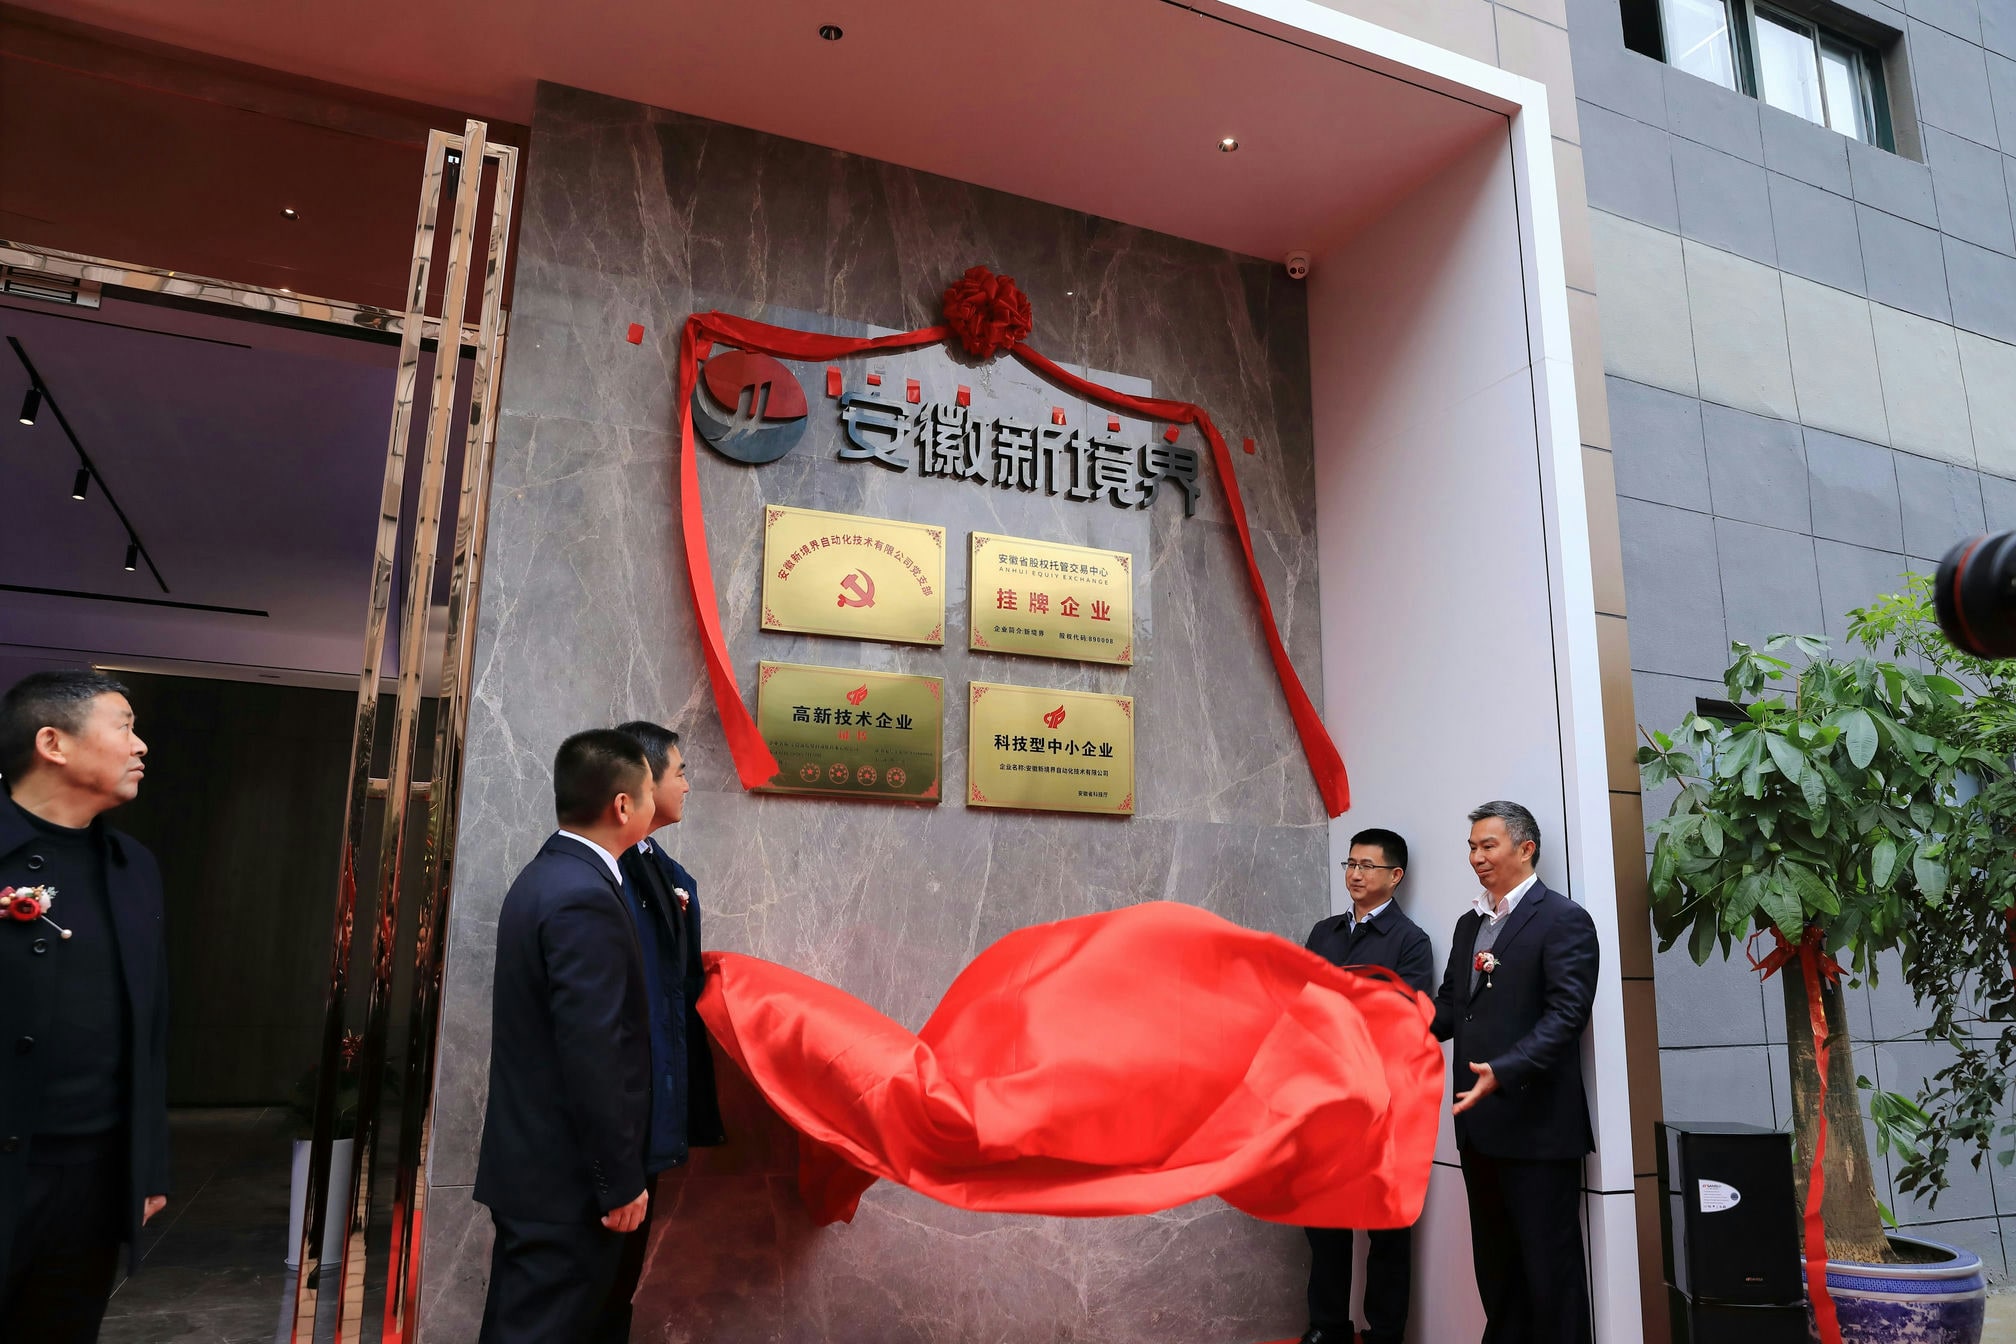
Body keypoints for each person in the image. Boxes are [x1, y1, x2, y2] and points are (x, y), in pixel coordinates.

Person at [0, 670, 169, 1344]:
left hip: (95, 1174)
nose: (140, 745)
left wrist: (147, 1163)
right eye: (124, 726)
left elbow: (150, 1026)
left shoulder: (134, 866)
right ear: (53, 743)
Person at [474, 729, 658, 1344]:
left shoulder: (548, 876)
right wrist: (619, 1180)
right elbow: (593, 1051)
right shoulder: (583, 896)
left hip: (535, 1172)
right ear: (623, 805)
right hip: (566, 1185)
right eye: (650, 788)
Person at [1430, 801, 1598, 1344]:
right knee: (1496, 1273)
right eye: (1472, 847)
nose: (1476, 857)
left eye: (1488, 845)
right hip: (1479, 1130)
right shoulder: (1469, 924)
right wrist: (1390, 1023)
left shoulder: (1563, 919)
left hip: (1537, 1128)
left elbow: (1567, 1015)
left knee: (1551, 1275)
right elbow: (1452, 1008)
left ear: (1526, 849)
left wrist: (1504, 1070)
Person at [591, 720, 726, 1342]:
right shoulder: (598, 876)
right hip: (612, 1132)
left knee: (617, 1290)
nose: (688, 785)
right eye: (681, 772)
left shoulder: (659, 868)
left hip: (648, 1120)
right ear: (642, 781)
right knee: (587, 1291)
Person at [1299, 827, 1433, 1344]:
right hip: (1325, 1099)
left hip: (1383, 1104)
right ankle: (1328, 1326)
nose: (1355, 874)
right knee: (1324, 1221)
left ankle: (1384, 1333)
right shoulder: (1324, 933)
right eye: (1350, 864)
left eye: (1367, 866)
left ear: (1394, 876)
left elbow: (1407, 1019)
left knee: (1387, 1228)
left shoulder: (1409, 941)